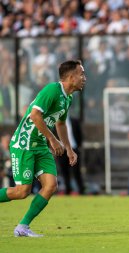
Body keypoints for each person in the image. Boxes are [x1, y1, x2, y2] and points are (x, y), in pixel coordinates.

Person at [0, 60, 86, 237]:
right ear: (71, 77)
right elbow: (34, 115)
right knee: (22, 191)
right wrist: (53, 140)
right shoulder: (52, 90)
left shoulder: (67, 97)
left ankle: (22, 226)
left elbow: (61, 124)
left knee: (51, 185)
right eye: (81, 74)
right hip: (24, 144)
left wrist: (69, 149)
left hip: (40, 145)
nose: (84, 78)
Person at [54, 116, 85, 195]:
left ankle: (81, 190)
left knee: (76, 171)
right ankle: (68, 190)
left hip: (73, 149)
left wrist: (77, 147)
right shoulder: (54, 122)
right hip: (61, 150)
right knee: (64, 171)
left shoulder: (74, 121)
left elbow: (79, 135)